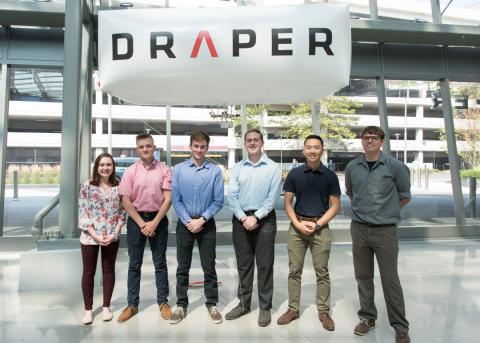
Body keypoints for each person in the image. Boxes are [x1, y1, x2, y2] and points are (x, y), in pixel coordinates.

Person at [345, 126, 411, 343]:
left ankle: (400, 327)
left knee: (390, 280)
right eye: (366, 138)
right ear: (362, 141)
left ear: (382, 141)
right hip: (359, 230)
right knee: (363, 277)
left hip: (385, 232)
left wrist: (385, 212)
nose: (369, 141)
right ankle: (367, 318)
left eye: (374, 138)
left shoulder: (396, 167)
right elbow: (352, 193)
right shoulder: (352, 167)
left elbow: (404, 197)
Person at [277, 134, 340, 331]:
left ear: (322, 150)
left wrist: (318, 224)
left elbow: (335, 206)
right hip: (297, 227)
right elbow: (287, 203)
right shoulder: (294, 174)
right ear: (303, 151)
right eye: (309, 147)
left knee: (322, 272)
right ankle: (293, 309)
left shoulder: (330, 176)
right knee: (294, 270)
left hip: (320, 228)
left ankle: (323, 311)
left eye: (316, 147)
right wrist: (297, 223)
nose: (312, 150)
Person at [226, 128, 281, 327]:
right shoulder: (238, 168)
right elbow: (231, 196)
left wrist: (256, 217)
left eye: (255, 139)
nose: (252, 143)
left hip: (264, 219)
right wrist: (243, 217)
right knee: (244, 264)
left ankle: (265, 307)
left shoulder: (273, 167)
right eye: (248, 140)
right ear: (245, 143)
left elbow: (273, 198)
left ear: (262, 142)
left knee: (265, 264)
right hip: (240, 220)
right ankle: (244, 304)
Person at [170, 131, 224, 324]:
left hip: (206, 224)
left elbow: (218, 201)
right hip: (185, 224)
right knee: (182, 266)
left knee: (209, 266)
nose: (199, 150)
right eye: (196, 146)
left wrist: (201, 220)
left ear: (207, 148)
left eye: (203, 147)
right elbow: (175, 199)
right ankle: (181, 305)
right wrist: (188, 221)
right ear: (190, 146)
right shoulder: (178, 169)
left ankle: (212, 304)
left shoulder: (215, 171)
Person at [117, 133, 173, 323]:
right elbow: (125, 200)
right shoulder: (130, 171)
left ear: (154, 147)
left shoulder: (165, 169)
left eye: (148, 146)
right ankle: (132, 304)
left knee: (160, 263)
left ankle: (163, 302)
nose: (145, 149)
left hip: (158, 219)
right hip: (136, 221)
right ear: (137, 149)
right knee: (134, 264)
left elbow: (168, 199)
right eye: (141, 147)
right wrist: (142, 224)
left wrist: (155, 222)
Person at [79, 152, 126, 325]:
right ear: (96, 167)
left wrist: (115, 232)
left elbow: (123, 211)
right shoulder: (87, 186)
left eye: (109, 165)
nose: (105, 168)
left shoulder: (119, 185)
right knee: (89, 272)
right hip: (91, 236)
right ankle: (88, 310)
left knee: (108, 269)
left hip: (112, 236)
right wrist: (96, 236)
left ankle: (106, 306)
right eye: (102, 165)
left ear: (113, 167)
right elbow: (83, 212)